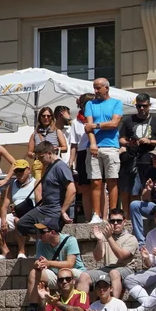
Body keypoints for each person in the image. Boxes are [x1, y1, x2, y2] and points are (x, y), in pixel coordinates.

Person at [20, 216, 90, 311]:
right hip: (56, 275)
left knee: (67, 273)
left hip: (74, 274)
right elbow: (37, 260)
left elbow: (70, 263)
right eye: (38, 232)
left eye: (42, 232)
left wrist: (49, 263)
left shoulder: (70, 240)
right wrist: (38, 264)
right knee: (34, 273)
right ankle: (34, 309)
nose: (39, 235)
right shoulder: (41, 243)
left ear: (52, 232)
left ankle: (77, 307)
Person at [16, 140, 75, 259]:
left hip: (55, 210)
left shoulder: (60, 166)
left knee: (44, 231)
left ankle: (48, 249)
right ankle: (44, 236)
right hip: (44, 208)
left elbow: (72, 189)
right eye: (38, 158)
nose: (39, 160)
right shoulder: (48, 167)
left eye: (41, 157)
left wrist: (63, 211)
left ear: (49, 153)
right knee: (22, 224)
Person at [84, 77, 124, 223]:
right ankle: (96, 214)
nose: (96, 90)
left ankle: (113, 213)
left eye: (98, 87)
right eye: (94, 87)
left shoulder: (116, 103)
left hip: (111, 146)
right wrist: (93, 143)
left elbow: (114, 123)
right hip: (95, 146)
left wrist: (96, 126)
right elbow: (87, 127)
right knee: (95, 182)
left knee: (112, 181)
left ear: (106, 88)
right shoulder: (90, 104)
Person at [119, 93, 156, 220]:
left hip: (151, 161)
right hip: (134, 161)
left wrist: (150, 141)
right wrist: (129, 143)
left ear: (149, 105)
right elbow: (121, 139)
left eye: (144, 106)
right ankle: (136, 216)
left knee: (151, 190)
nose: (141, 108)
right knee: (135, 191)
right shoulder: (129, 120)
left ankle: (151, 215)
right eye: (139, 106)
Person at [0, 160, 39, 260]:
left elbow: (39, 203)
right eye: (16, 171)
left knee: (17, 220)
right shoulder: (12, 185)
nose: (19, 173)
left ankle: (21, 251)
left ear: (28, 170)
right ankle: (6, 252)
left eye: (21, 170)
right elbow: (4, 206)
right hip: (16, 213)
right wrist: (3, 220)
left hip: (30, 214)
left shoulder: (35, 183)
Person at [88, 207, 139, 299]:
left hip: (126, 269)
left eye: (118, 221)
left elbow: (122, 256)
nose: (115, 223)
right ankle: (80, 306)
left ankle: (114, 304)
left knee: (114, 273)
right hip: (108, 269)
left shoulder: (130, 238)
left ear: (124, 222)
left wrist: (109, 238)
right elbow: (97, 257)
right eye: (112, 221)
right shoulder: (105, 237)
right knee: (84, 276)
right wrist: (100, 240)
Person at [69, 94, 95, 223]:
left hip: (95, 152)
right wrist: (71, 162)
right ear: (83, 106)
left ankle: (101, 216)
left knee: (98, 185)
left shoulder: (96, 119)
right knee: (85, 188)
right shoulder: (76, 122)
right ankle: (88, 218)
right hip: (82, 153)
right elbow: (74, 144)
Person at [27, 107, 66, 183]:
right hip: (39, 165)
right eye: (43, 116)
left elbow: (65, 148)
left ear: (52, 117)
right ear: (40, 117)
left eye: (48, 116)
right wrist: (34, 154)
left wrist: (57, 148)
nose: (46, 118)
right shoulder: (35, 134)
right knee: (39, 185)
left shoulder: (57, 131)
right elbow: (29, 151)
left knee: (53, 184)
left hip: (53, 163)